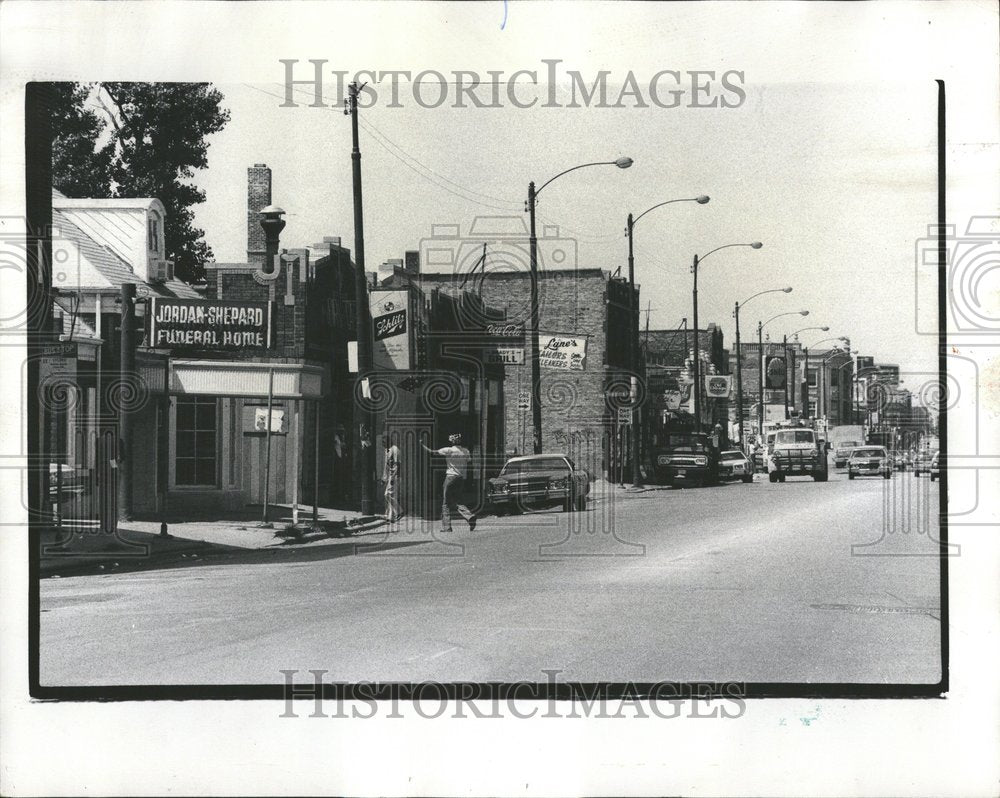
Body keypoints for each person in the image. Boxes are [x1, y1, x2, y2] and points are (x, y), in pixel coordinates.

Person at [421, 433, 476, 533]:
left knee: (445, 503)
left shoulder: (449, 450)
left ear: (452, 441)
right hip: (460, 478)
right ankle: (469, 516)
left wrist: (422, 445)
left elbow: (432, 452)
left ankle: (447, 527)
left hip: (450, 477)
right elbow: (469, 462)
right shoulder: (465, 451)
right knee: (459, 501)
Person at [382, 434, 402, 523]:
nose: (383, 444)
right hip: (390, 476)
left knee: (387, 494)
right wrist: (384, 478)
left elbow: (398, 465)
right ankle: (391, 517)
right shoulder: (386, 450)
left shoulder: (395, 449)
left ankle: (400, 511)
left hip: (396, 475)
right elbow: (386, 466)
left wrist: (393, 477)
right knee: (392, 496)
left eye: (384, 442)